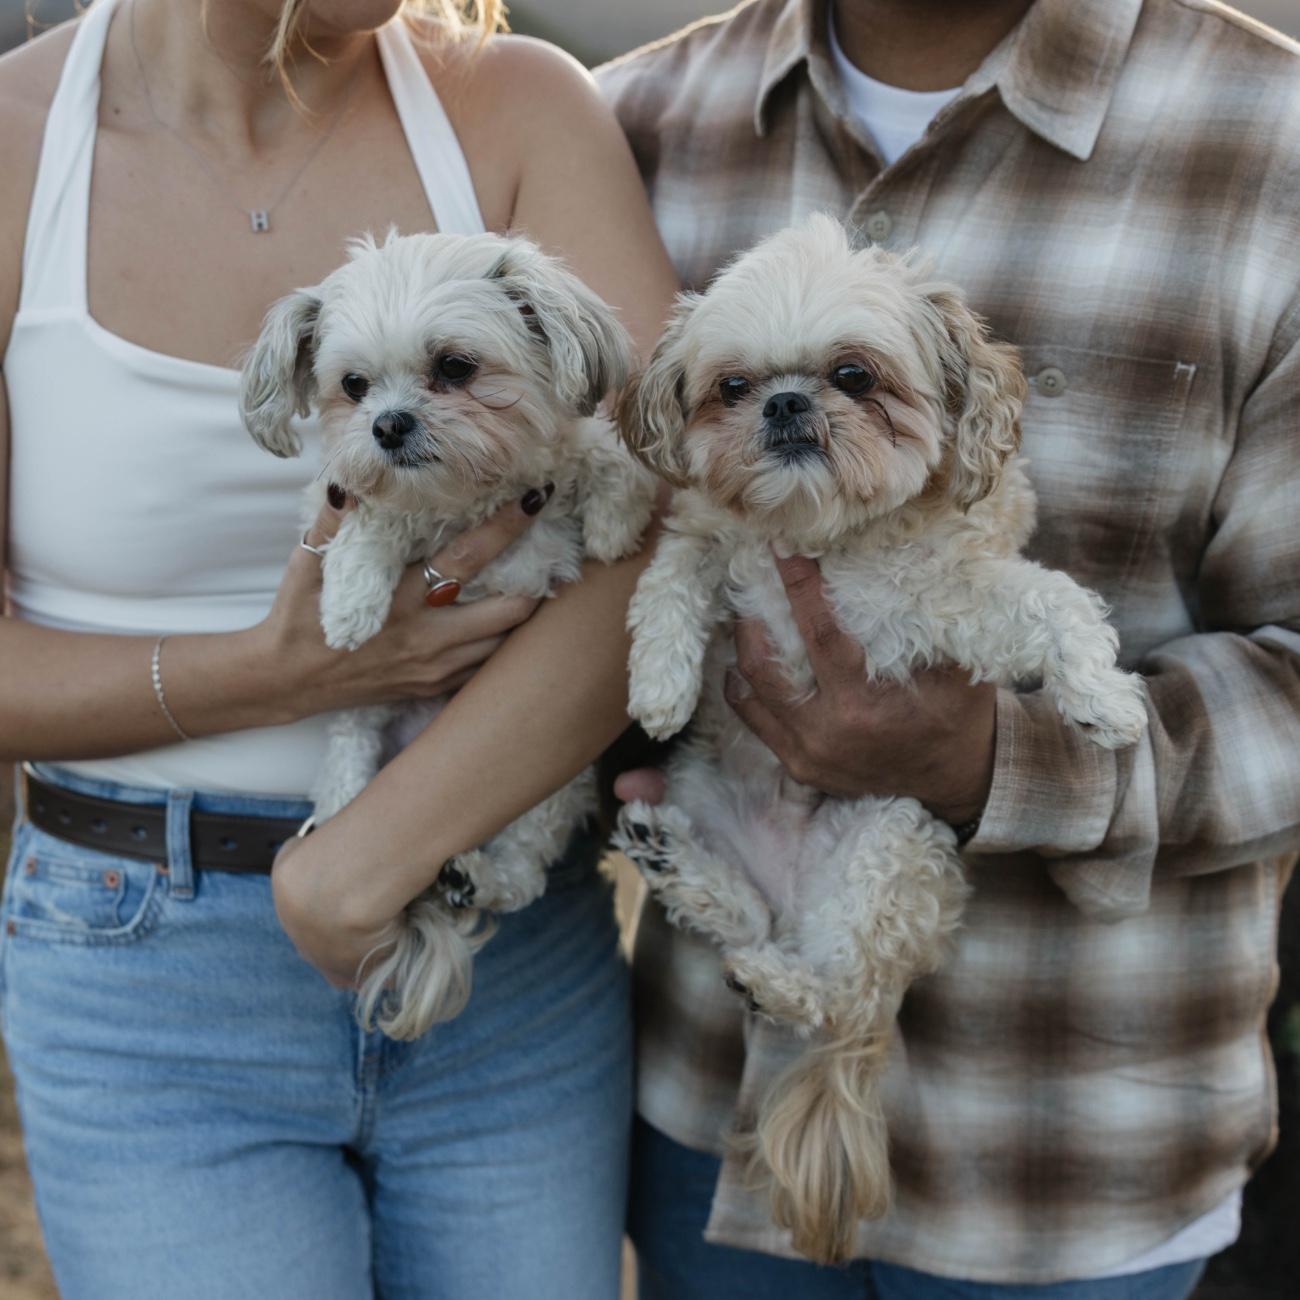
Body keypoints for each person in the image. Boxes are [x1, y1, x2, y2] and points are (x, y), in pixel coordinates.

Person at [598, 0, 1300, 1296]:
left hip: (1070, 1161)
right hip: (702, 1107)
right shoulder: (627, 124)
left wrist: (996, 759)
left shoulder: (1272, 141)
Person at [0, 1, 676, 1296]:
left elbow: (662, 515)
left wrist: (364, 863)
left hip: (512, 947)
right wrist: (279, 672)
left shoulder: (522, 105)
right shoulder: (17, 148)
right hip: (148, 974)